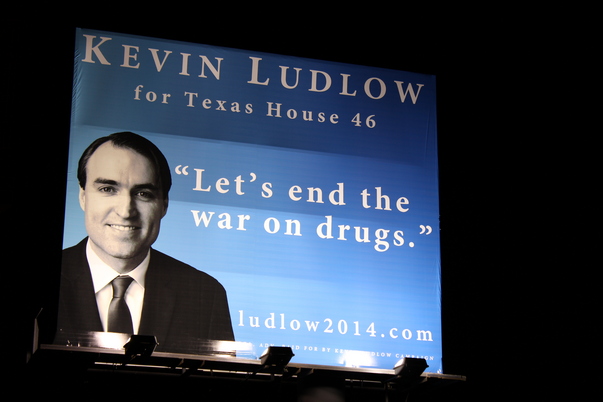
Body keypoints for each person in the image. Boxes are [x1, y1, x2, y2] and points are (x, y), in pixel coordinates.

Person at [55, 131, 234, 354]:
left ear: (164, 205)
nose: (125, 211)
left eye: (143, 193)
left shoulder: (204, 295)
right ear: (83, 196)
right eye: (107, 189)